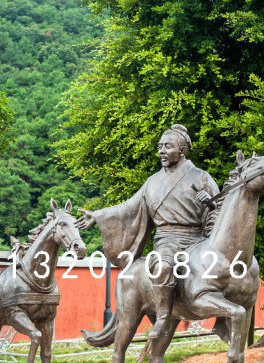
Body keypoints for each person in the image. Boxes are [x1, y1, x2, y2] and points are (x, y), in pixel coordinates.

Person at [76, 124, 218, 340]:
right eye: (160, 146)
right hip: (168, 240)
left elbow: (221, 208)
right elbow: (127, 207)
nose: (161, 151)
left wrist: (210, 204)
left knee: (227, 265)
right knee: (162, 266)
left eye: (167, 146)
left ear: (182, 151)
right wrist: (98, 215)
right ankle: (163, 317)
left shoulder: (202, 177)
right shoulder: (152, 182)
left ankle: (226, 316)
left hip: (197, 239)